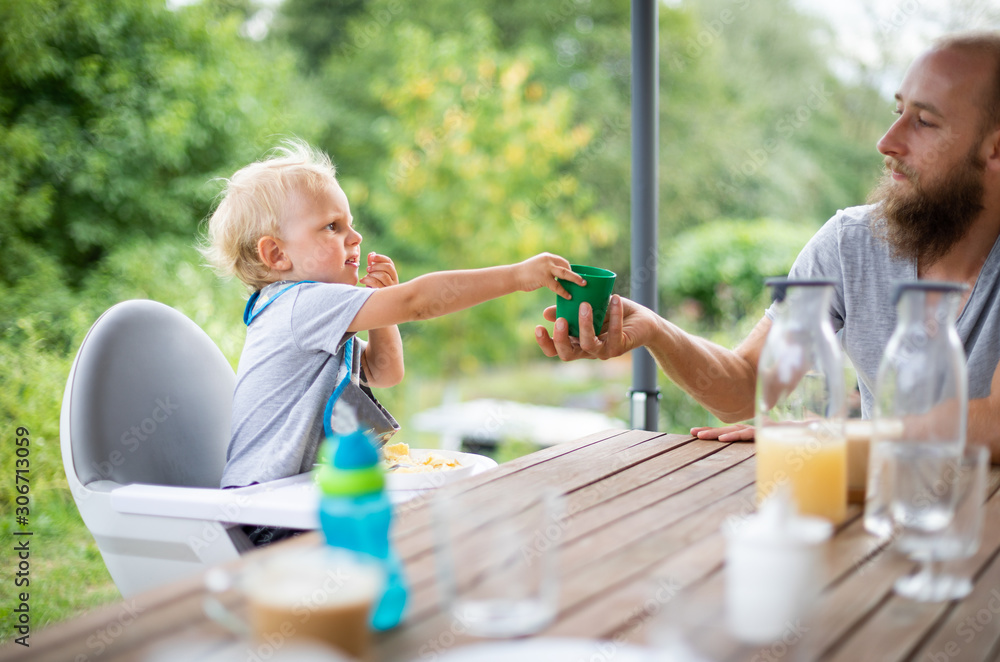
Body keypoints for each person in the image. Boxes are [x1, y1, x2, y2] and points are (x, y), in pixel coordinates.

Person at [535, 31, 1000, 462]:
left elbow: (994, 424)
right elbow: (747, 387)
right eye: (897, 112)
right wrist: (656, 331)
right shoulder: (852, 243)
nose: (887, 141)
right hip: (889, 516)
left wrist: (835, 437)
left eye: (923, 121)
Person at [202, 140, 583, 543]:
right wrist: (516, 276)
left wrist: (382, 317)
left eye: (350, 223)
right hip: (269, 516)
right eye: (333, 227)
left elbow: (386, 372)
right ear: (276, 255)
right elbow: (418, 303)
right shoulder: (300, 305)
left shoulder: (313, 314)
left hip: (298, 505)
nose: (356, 236)